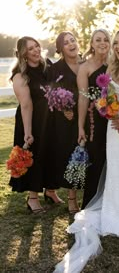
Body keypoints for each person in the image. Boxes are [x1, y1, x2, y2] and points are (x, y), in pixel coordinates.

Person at [54, 28, 119, 273]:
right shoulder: (113, 69)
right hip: (114, 128)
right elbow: (108, 98)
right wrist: (108, 109)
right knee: (116, 173)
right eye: (117, 43)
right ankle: (114, 215)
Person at [9, 36, 51, 213]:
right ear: (23, 54)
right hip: (31, 120)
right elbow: (26, 105)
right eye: (31, 48)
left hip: (48, 119)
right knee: (35, 156)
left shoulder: (47, 66)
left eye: (37, 46)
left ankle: (51, 192)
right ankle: (33, 198)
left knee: (50, 154)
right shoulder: (20, 75)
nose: (36, 50)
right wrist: (28, 132)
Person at [43, 31, 82, 214]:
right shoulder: (55, 68)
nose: (71, 44)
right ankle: (67, 197)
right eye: (66, 43)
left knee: (82, 155)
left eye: (73, 40)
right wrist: (63, 108)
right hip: (64, 120)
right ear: (61, 49)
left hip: (85, 116)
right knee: (67, 155)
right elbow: (50, 92)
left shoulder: (86, 64)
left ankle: (76, 195)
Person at [77, 28, 111, 209]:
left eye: (105, 39)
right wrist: (80, 127)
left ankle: (112, 205)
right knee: (96, 160)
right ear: (92, 44)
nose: (102, 43)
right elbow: (83, 97)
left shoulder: (116, 64)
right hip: (94, 122)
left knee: (114, 161)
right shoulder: (85, 67)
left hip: (115, 119)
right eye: (98, 40)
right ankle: (90, 205)